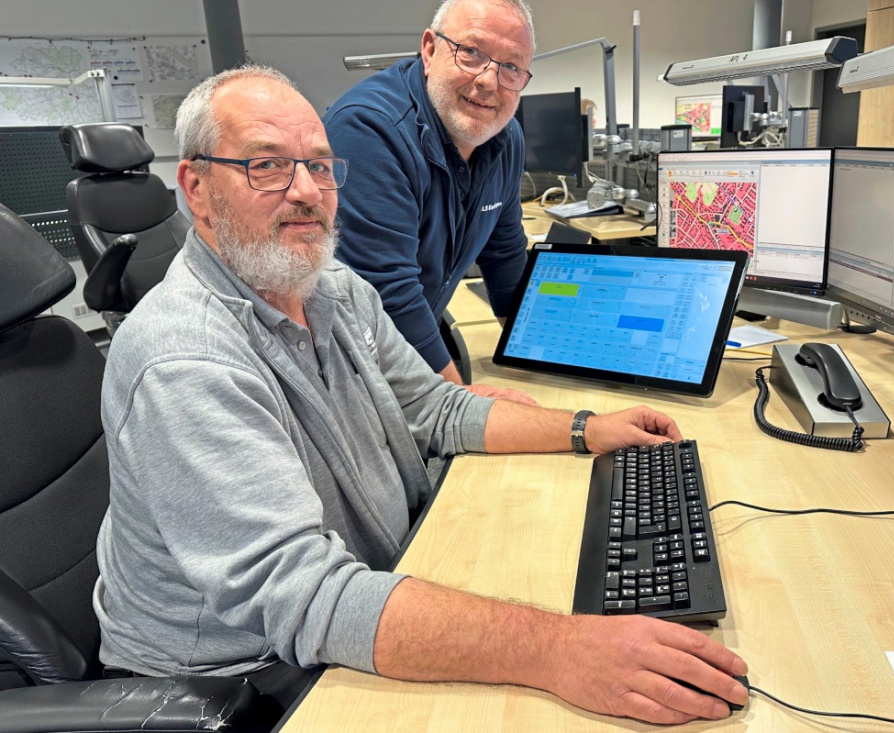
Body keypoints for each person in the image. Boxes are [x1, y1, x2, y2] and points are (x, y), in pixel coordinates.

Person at [93, 65, 748, 725]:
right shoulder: (185, 359)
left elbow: (435, 408)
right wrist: (560, 649)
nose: (307, 191)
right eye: (266, 166)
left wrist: (584, 428)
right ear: (198, 189)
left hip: (372, 576)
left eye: (318, 166)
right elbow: (302, 595)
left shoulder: (332, 289)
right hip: (244, 675)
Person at [323, 0, 535, 396]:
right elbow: (389, 294)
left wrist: (539, 362)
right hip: (347, 373)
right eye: (471, 52)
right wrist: (461, 405)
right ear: (430, 50)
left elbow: (504, 254)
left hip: (410, 353)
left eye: (511, 66)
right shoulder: (368, 130)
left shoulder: (505, 138)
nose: (489, 81)